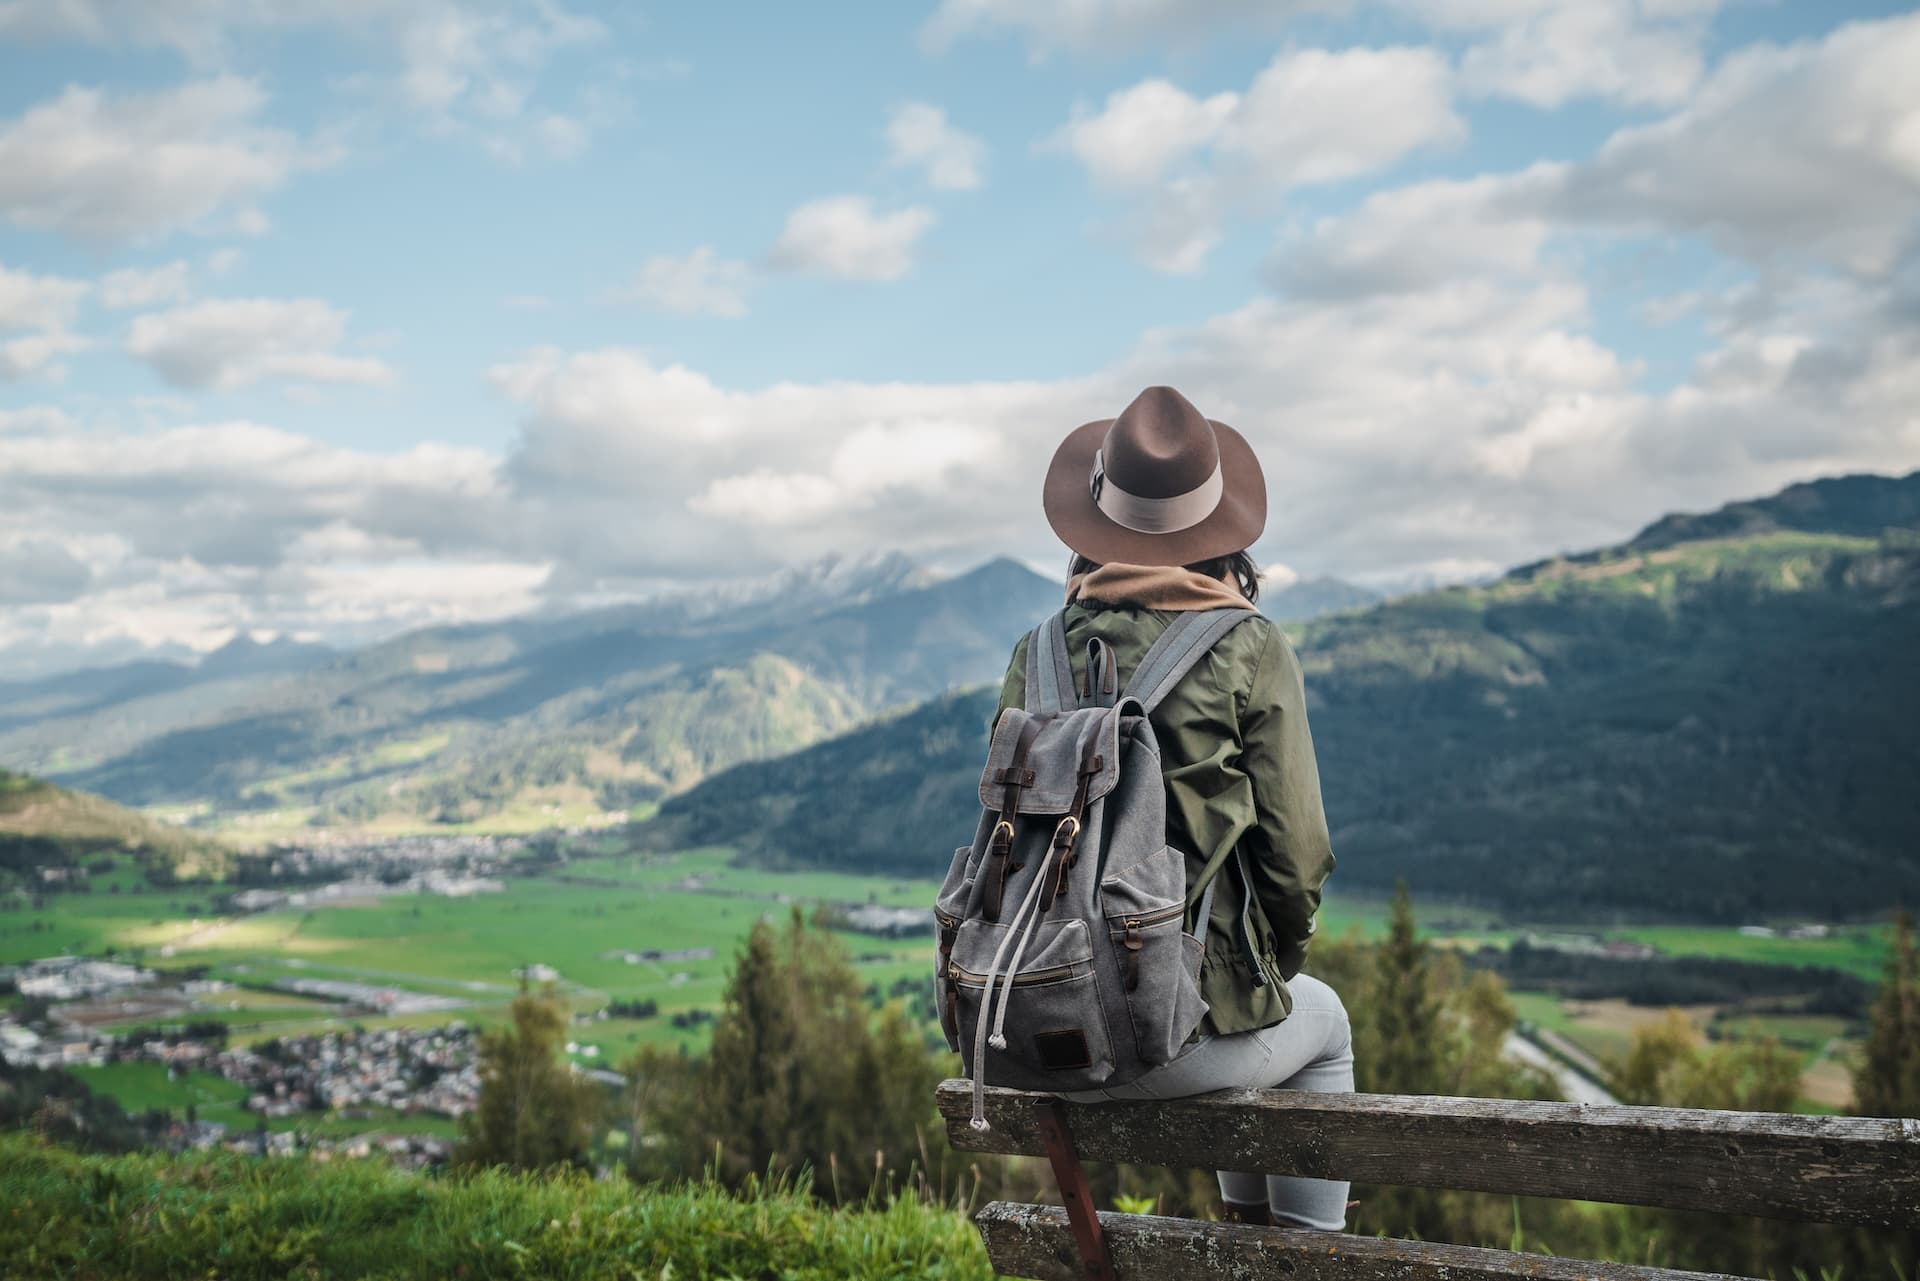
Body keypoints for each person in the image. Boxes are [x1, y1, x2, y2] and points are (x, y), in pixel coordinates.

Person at [995, 385, 1352, 1232]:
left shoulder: (1038, 651)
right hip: (1160, 1040)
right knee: (1319, 1020)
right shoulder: (1248, 645)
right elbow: (1297, 858)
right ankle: (1292, 1258)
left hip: (1039, 1031)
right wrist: (1275, 960)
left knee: (1247, 1003)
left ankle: (1241, 1243)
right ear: (1217, 528)